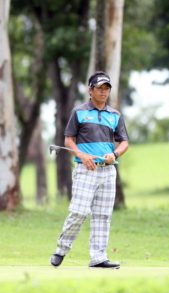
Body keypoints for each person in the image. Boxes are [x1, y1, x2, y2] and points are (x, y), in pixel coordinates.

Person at [50, 71, 128, 269]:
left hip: (108, 170)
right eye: (99, 88)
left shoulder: (115, 115)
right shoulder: (79, 112)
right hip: (86, 170)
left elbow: (124, 142)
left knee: (103, 215)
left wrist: (115, 154)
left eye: (106, 88)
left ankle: (98, 258)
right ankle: (61, 249)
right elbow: (68, 140)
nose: (103, 92)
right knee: (79, 211)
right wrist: (82, 155)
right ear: (90, 90)